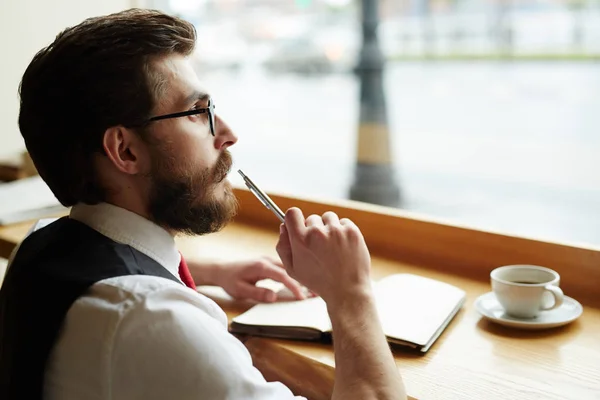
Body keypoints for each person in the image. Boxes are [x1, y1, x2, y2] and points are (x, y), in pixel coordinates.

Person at [0, 8, 407, 400]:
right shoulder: (154, 318)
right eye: (198, 112)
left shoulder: (38, 249)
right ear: (124, 151)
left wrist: (209, 272)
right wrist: (352, 295)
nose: (227, 133)